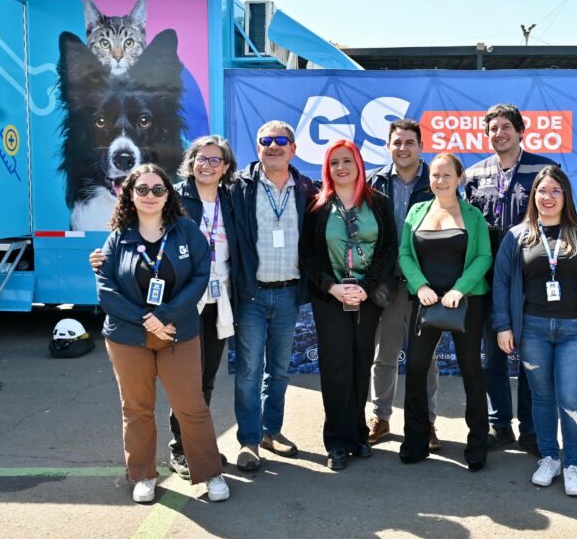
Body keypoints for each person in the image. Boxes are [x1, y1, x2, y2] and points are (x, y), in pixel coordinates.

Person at [90, 136, 236, 479]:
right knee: (137, 410)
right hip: (131, 334)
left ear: (168, 195)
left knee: (193, 401)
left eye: (158, 189)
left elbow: (199, 275)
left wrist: (165, 316)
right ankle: (145, 473)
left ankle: (207, 470)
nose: (151, 195)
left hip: (186, 323)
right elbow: (106, 288)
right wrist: (148, 320)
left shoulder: (195, 224)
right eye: (142, 189)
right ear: (129, 194)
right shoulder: (119, 236)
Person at [492, 166, 577, 496]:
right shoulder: (517, 236)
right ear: (533, 196)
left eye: (555, 191)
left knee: (571, 399)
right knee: (542, 398)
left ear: (566, 196)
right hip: (532, 330)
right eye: (542, 191)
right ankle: (549, 458)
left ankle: (573, 464)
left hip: (575, 331)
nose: (548, 197)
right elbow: (501, 283)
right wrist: (503, 326)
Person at [464, 103, 557, 456]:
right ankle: (499, 424)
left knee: (532, 359)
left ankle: (530, 430)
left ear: (520, 132)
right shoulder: (474, 174)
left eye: (506, 127)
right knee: (493, 359)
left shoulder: (544, 170)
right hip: (488, 281)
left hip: (532, 279)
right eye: (493, 129)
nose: (499, 134)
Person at [300, 139, 397, 470]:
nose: (341, 168)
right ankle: (337, 442)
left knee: (360, 364)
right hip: (330, 298)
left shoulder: (378, 202)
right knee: (336, 368)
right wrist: (332, 287)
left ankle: (358, 433)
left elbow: (388, 250)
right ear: (327, 168)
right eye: (334, 162)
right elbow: (308, 254)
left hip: (366, 299)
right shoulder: (317, 206)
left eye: (347, 161)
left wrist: (365, 289)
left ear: (359, 164)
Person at [229, 120, 318, 472]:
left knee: (279, 371)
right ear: (258, 148)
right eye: (266, 140)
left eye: (282, 140)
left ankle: (272, 431)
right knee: (249, 372)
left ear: (293, 149)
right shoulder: (238, 186)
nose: (274, 146)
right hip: (252, 294)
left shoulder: (307, 189)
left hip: (288, 294)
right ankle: (249, 441)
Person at [398, 153, 491, 471]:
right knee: (416, 368)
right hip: (424, 303)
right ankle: (416, 441)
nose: (440, 180)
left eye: (447, 174)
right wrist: (420, 286)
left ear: (459, 178)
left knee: (471, 370)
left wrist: (458, 289)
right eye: (435, 175)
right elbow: (405, 253)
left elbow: (483, 257)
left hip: (466, 302)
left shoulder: (473, 215)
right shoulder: (417, 211)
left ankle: (477, 445)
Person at [364, 119, 440, 449]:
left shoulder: (436, 180)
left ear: (421, 147)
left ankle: (427, 422)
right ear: (388, 146)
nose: (403, 148)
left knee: (427, 359)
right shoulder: (374, 181)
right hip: (388, 284)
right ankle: (380, 417)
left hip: (425, 284)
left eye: (410, 142)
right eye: (397, 142)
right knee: (385, 355)